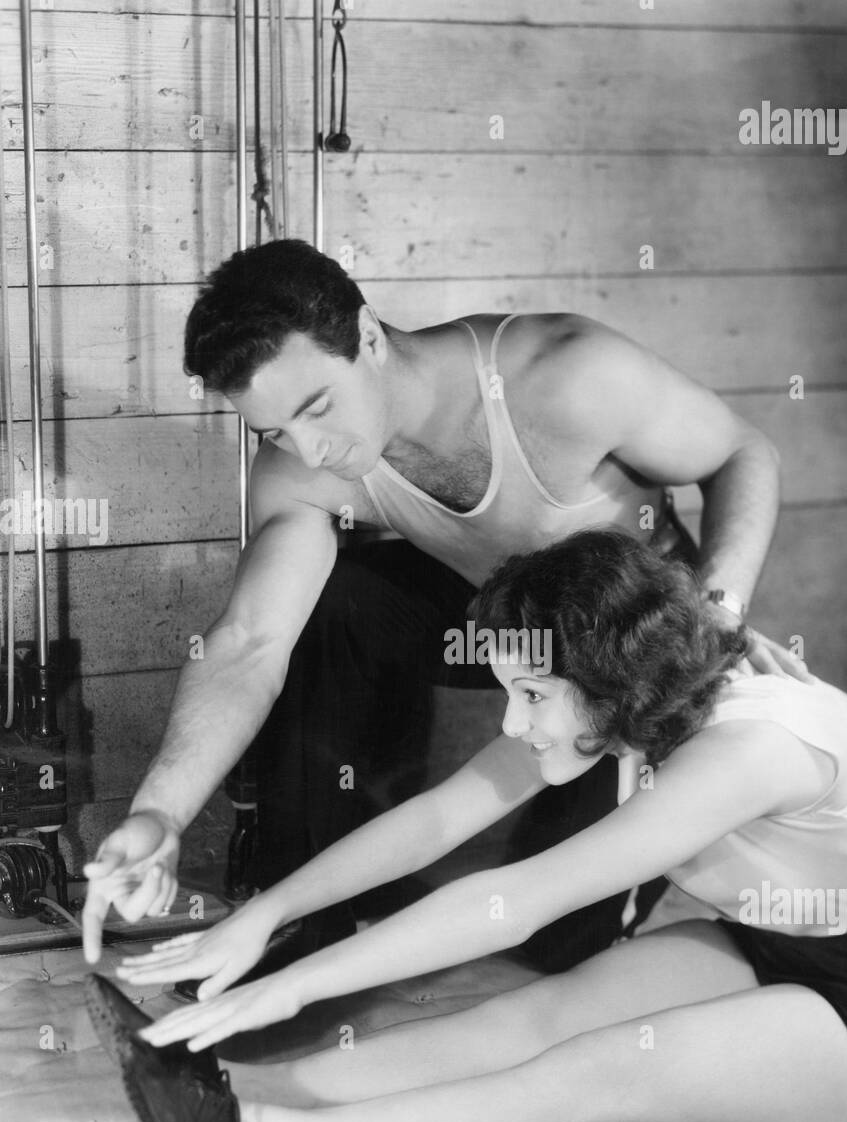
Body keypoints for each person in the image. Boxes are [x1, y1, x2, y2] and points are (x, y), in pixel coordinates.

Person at [87, 529, 847, 1122]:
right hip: (780, 938)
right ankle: (234, 1090)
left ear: (603, 674)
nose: (513, 725)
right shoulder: (634, 700)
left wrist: (288, 989)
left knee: (598, 1076)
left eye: (529, 696)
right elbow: (437, 819)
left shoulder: (752, 746)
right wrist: (264, 915)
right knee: (534, 1015)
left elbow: (510, 904)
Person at [81, 239, 805, 976]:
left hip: (627, 646)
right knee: (332, 599)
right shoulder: (302, 467)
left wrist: (716, 613)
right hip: (503, 625)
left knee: (559, 946)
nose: (309, 448)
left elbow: (743, 454)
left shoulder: (564, 374)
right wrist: (159, 813)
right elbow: (247, 643)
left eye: (316, 408)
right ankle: (303, 927)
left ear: (366, 337)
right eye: (273, 432)